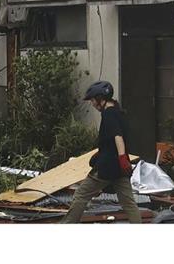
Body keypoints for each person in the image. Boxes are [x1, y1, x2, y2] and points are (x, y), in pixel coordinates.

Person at [61, 80, 142, 223]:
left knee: (81, 195)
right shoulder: (118, 111)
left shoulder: (109, 114)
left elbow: (118, 137)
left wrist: (122, 157)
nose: (92, 104)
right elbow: (113, 139)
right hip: (120, 168)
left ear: (100, 99)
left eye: (93, 100)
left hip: (107, 166)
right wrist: (113, 157)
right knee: (128, 203)